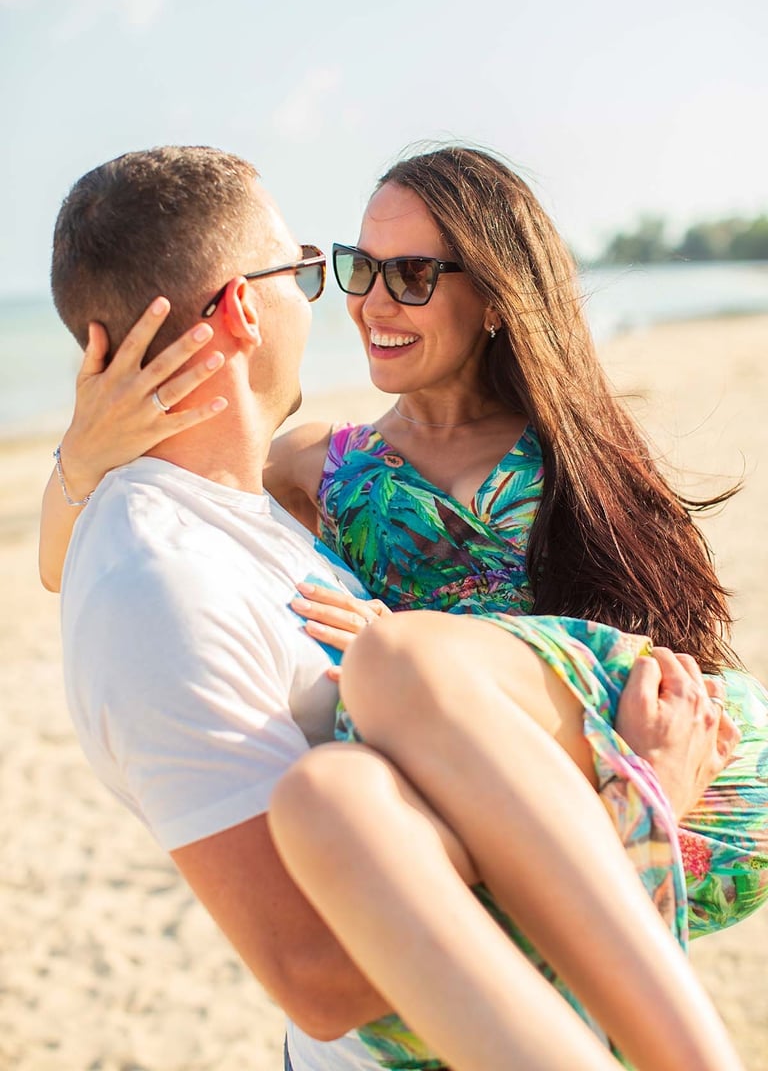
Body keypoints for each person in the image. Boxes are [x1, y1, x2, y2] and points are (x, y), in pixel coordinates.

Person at [45, 145, 754, 1070]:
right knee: (362, 745)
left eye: (413, 274)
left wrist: (436, 665)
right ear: (244, 308)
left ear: (496, 295)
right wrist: (81, 457)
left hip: (589, 835)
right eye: (348, 267)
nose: (368, 302)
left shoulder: (573, 466)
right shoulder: (313, 473)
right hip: (484, 917)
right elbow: (99, 558)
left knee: (397, 675)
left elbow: (649, 674)